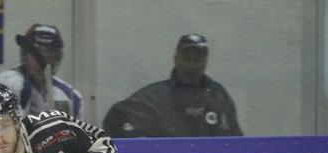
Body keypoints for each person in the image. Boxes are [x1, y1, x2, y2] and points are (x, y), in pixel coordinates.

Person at [103, 33, 243, 137]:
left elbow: (234, 142)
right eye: (186, 58)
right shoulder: (154, 97)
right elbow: (116, 118)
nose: (192, 64)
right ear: (176, 59)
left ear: (206, 61)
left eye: (198, 59)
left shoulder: (217, 96)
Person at [0, 23, 83, 119]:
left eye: (49, 55)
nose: (41, 62)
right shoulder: (7, 82)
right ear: (25, 55)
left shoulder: (72, 97)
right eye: (35, 55)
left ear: (56, 59)